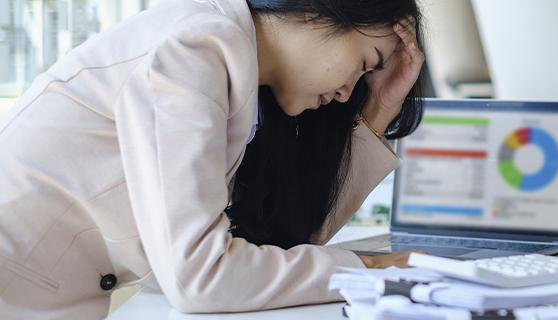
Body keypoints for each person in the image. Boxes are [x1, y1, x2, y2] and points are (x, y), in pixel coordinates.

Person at [0, 0, 426, 318]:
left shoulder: (243, 81)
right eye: (365, 63)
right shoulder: (194, 50)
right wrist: (370, 267)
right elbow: (201, 278)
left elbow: (288, 245)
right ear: (317, 10)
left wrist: (379, 112)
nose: (348, 92)